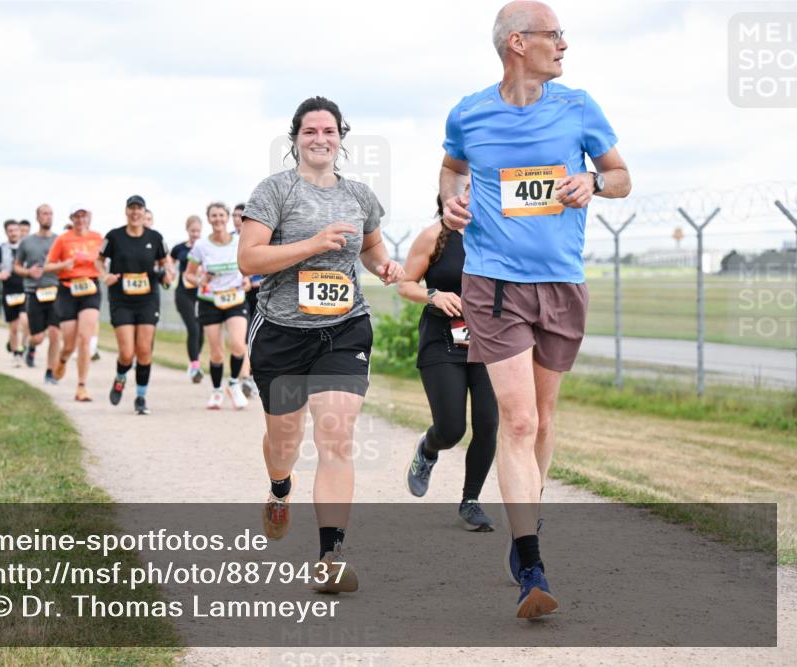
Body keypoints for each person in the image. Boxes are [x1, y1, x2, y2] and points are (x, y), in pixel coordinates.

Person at [440, 0, 631, 619]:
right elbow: (450, 167)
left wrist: (593, 184)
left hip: (562, 284)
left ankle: (528, 522)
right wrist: (451, 202)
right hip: (493, 284)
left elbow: (622, 175)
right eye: (555, 35)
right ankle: (532, 564)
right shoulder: (469, 112)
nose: (565, 45)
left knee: (544, 421)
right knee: (517, 422)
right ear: (518, 43)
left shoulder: (579, 107)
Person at [238, 96, 403, 593]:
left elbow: (370, 247)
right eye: (310, 131)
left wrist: (385, 267)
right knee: (284, 442)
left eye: (328, 131)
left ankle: (331, 554)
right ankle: (279, 488)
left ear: (340, 138)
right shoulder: (274, 191)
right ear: (295, 140)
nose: (320, 139)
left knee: (336, 434)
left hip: (344, 328)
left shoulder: (358, 196)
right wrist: (312, 244)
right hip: (283, 334)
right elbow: (249, 259)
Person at [399, 197, 498, 531]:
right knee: (452, 428)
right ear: (447, 197)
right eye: (464, 188)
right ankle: (428, 449)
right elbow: (405, 284)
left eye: (477, 187)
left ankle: (471, 502)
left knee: (487, 423)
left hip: (489, 342)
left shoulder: (497, 234)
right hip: (442, 341)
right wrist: (434, 295)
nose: (471, 195)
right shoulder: (433, 236)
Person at [98, 195, 171, 415]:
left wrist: (167, 275)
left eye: (139, 208)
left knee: (144, 351)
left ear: (144, 212)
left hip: (148, 299)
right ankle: (120, 378)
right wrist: (105, 276)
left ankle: (141, 397)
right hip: (121, 300)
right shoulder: (114, 236)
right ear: (126, 211)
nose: (135, 212)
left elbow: (165, 263)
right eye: (131, 208)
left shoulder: (155, 237)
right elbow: (99, 260)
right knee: (127, 353)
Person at [184, 202, 251, 410]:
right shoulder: (201, 246)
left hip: (235, 300)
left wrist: (247, 280)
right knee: (216, 352)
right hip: (210, 302)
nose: (218, 219)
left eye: (222, 215)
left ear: (229, 217)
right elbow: (188, 274)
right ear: (209, 219)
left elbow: (246, 268)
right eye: (214, 216)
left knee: (239, 345)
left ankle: (233, 384)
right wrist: (200, 281)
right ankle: (216, 391)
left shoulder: (239, 241)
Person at [44, 204, 104, 402]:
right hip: (68, 289)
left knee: (84, 338)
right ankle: (62, 359)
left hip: (90, 289)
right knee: (69, 343)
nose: (80, 220)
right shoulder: (63, 239)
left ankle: (81, 386)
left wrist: (105, 272)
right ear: (71, 218)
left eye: (84, 216)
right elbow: (48, 266)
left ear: (89, 217)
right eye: (77, 217)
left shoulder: (97, 238)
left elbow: (104, 261)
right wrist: (64, 265)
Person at [15, 204, 62, 383]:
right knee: (38, 337)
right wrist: (28, 272)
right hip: (35, 292)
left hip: (56, 291)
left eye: (51, 213)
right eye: (44, 214)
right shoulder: (27, 242)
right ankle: (31, 347)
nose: (48, 217)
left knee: (55, 333)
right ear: (37, 217)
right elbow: (17, 266)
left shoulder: (59, 241)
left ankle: (50, 372)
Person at [170, 215, 205, 383]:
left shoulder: (206, 247)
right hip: (184, 293)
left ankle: (194, 360)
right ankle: (195, 366)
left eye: (198, 231)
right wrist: (170, 271)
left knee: (201, 331)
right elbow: (169, 262)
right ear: (187, 230)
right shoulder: (179, 248)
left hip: (202, 293)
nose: (195, 234)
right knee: (193, 328)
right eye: (192, 231)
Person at [232, 202, 260, 398]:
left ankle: (252, 376)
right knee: (242, 338)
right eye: (234, 216)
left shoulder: (260, 239)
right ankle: (244, 378)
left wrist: (254, 282)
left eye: (240, 216)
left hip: (257, 293)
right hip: (237, 295)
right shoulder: (229, 241)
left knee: (257, 338)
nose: (236, 220)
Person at [0, 220, 28, 367]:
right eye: (10, 230)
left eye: (15, 230)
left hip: (26, 289)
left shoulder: (27, 247)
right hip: (9, 291)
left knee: (25, 321)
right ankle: (17, 353)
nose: (13, 233)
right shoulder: (0, 249)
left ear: (20, 231)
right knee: (13, 326)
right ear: (6, 232)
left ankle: (23, 346)